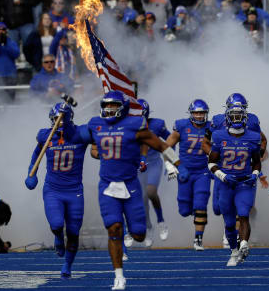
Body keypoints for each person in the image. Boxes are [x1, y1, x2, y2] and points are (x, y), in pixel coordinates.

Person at [80, 91, 179, 290]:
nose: (109, 109)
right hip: (107, 185)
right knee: (114, 228)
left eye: (113, 106)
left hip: (130, 183)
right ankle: (119, 276)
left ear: (123, 108)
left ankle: (141, 227)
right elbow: (76, 136)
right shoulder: (96, 125)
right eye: (106, 105)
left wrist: (177, 163)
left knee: (139, 234)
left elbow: (160, 145)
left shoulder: (135, 126)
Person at [25, 102, 89, 277]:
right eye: (55, 119)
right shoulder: (46, 136)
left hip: (75, 190)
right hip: (53, 189)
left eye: (61, 119)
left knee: (74, 232)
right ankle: (58, 236)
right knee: (56, 224)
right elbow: (37, 154)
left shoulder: (80, 134)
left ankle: (68, 265)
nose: (58, 122)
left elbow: (98, 136)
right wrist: (32, 173)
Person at [208, 101, 263, 267]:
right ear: (228, 118)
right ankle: (233, 251)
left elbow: (257, 161)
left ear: (245, 117)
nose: (237, 118)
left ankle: (244, 244)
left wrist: (255, 174)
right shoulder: (219, 136)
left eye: (240, 115)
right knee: (229, 223)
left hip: (244, 183)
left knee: (244, 213)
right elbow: (211, 163)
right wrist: (223, 176)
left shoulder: (253, 137)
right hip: (226, 183)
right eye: (234, 116)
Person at [164, 99, 212, 250]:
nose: (199, 116)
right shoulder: (182, 126)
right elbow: (165, 147)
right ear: (191, 113)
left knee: (201, 203)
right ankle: (194, 212)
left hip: (203, 171)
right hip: (185, 170)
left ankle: (198, 239)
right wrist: (170, 166)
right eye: (196, 113)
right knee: (184, 211)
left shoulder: (211, 127)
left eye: (202, 113)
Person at [136, 99, 171, 244]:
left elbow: (170, 141)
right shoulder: (127, 126)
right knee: (142, 198)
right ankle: (148, 226)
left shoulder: (156, 124)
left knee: (150, 192)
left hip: (153, 163)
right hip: (137, 165)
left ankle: (161, 221)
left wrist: (171, 162)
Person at [0, 22, 20, 102]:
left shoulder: (11, 42)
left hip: (10, 76)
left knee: (10, 101)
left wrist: (6, 43)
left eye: (3, 29)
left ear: (6, 31)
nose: (1, 31)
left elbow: (16, 54)